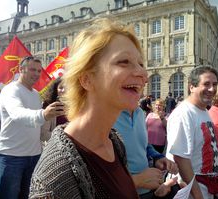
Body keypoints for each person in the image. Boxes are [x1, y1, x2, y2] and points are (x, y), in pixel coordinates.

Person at [29, 18, 148, 198]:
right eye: (124, 61)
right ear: (86, 79)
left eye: (141, 64)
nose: (143, 74)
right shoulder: (55, 175)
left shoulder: (114, 142)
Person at [0, 56, 64, 199]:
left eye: (39, 71)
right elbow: (17, 113)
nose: (36, 74)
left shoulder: (35, 95)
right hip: (12, 157)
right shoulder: (11, 91)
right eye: (32, 69)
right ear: (21, 70)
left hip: (34, 155)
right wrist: (43, 114)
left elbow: (38, 126)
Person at [166, 65, 218, 199]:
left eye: (214, 84)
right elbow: (181, 158)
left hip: (205, 186)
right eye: (206, 84)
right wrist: (197, 195)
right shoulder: (184, 113)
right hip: (189, 189)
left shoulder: (203, 110)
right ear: (192, 87)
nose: (212, 89)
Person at [114, 107, 178, 199]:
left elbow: (144, 144)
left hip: (146, 192)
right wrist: (137, 181)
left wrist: (157, 157)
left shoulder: (139, 112)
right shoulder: (105, 113)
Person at [41, 77, 67, 143]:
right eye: (61, 88)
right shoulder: (48, 106)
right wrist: (64, 140)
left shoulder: (76, 106)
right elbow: (43, 134)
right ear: (56, 89)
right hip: (55, 147)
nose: (64, 90)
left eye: (67, 87)